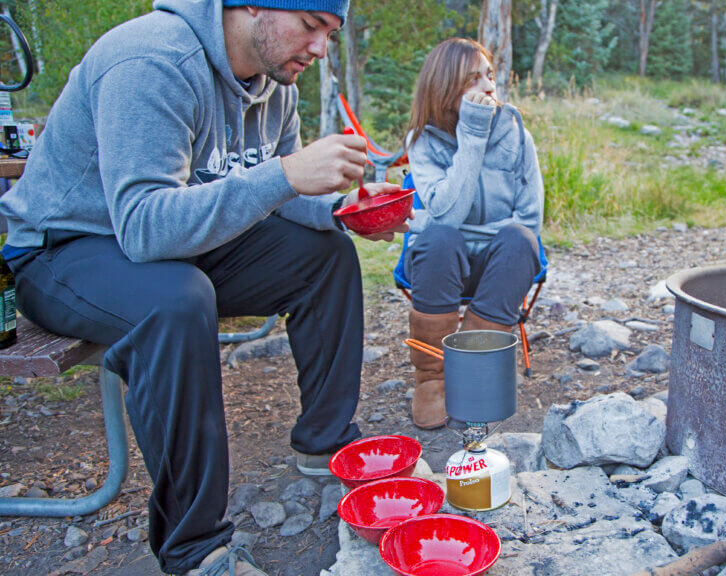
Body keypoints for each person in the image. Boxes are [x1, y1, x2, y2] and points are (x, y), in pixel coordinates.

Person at [0, 1, 408, 574]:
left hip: (183, 242)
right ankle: (196, 550)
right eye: (312, 27)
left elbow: (279, 199)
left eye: (330, 34)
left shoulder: (277, 80)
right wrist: (286, 174)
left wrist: (346, 207)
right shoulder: (153, 59)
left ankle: (325, 441)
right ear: (249, 7)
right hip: (66, 248)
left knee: (325, 253)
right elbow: (143, 227)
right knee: (176, 299)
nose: (320, 50)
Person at [404, 38, 543, 429]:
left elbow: (530, 217)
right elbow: (446, 216)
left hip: (499, 266)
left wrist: (492, 233)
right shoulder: (423, 141)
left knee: (520, 240)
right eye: (473, 79)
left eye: (490, 75)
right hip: (444, 263)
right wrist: (473, 136)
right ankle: (432, 380)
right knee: (439, 238)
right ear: (445, 88)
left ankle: (470, 364)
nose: (488, 87)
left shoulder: (517, 136)